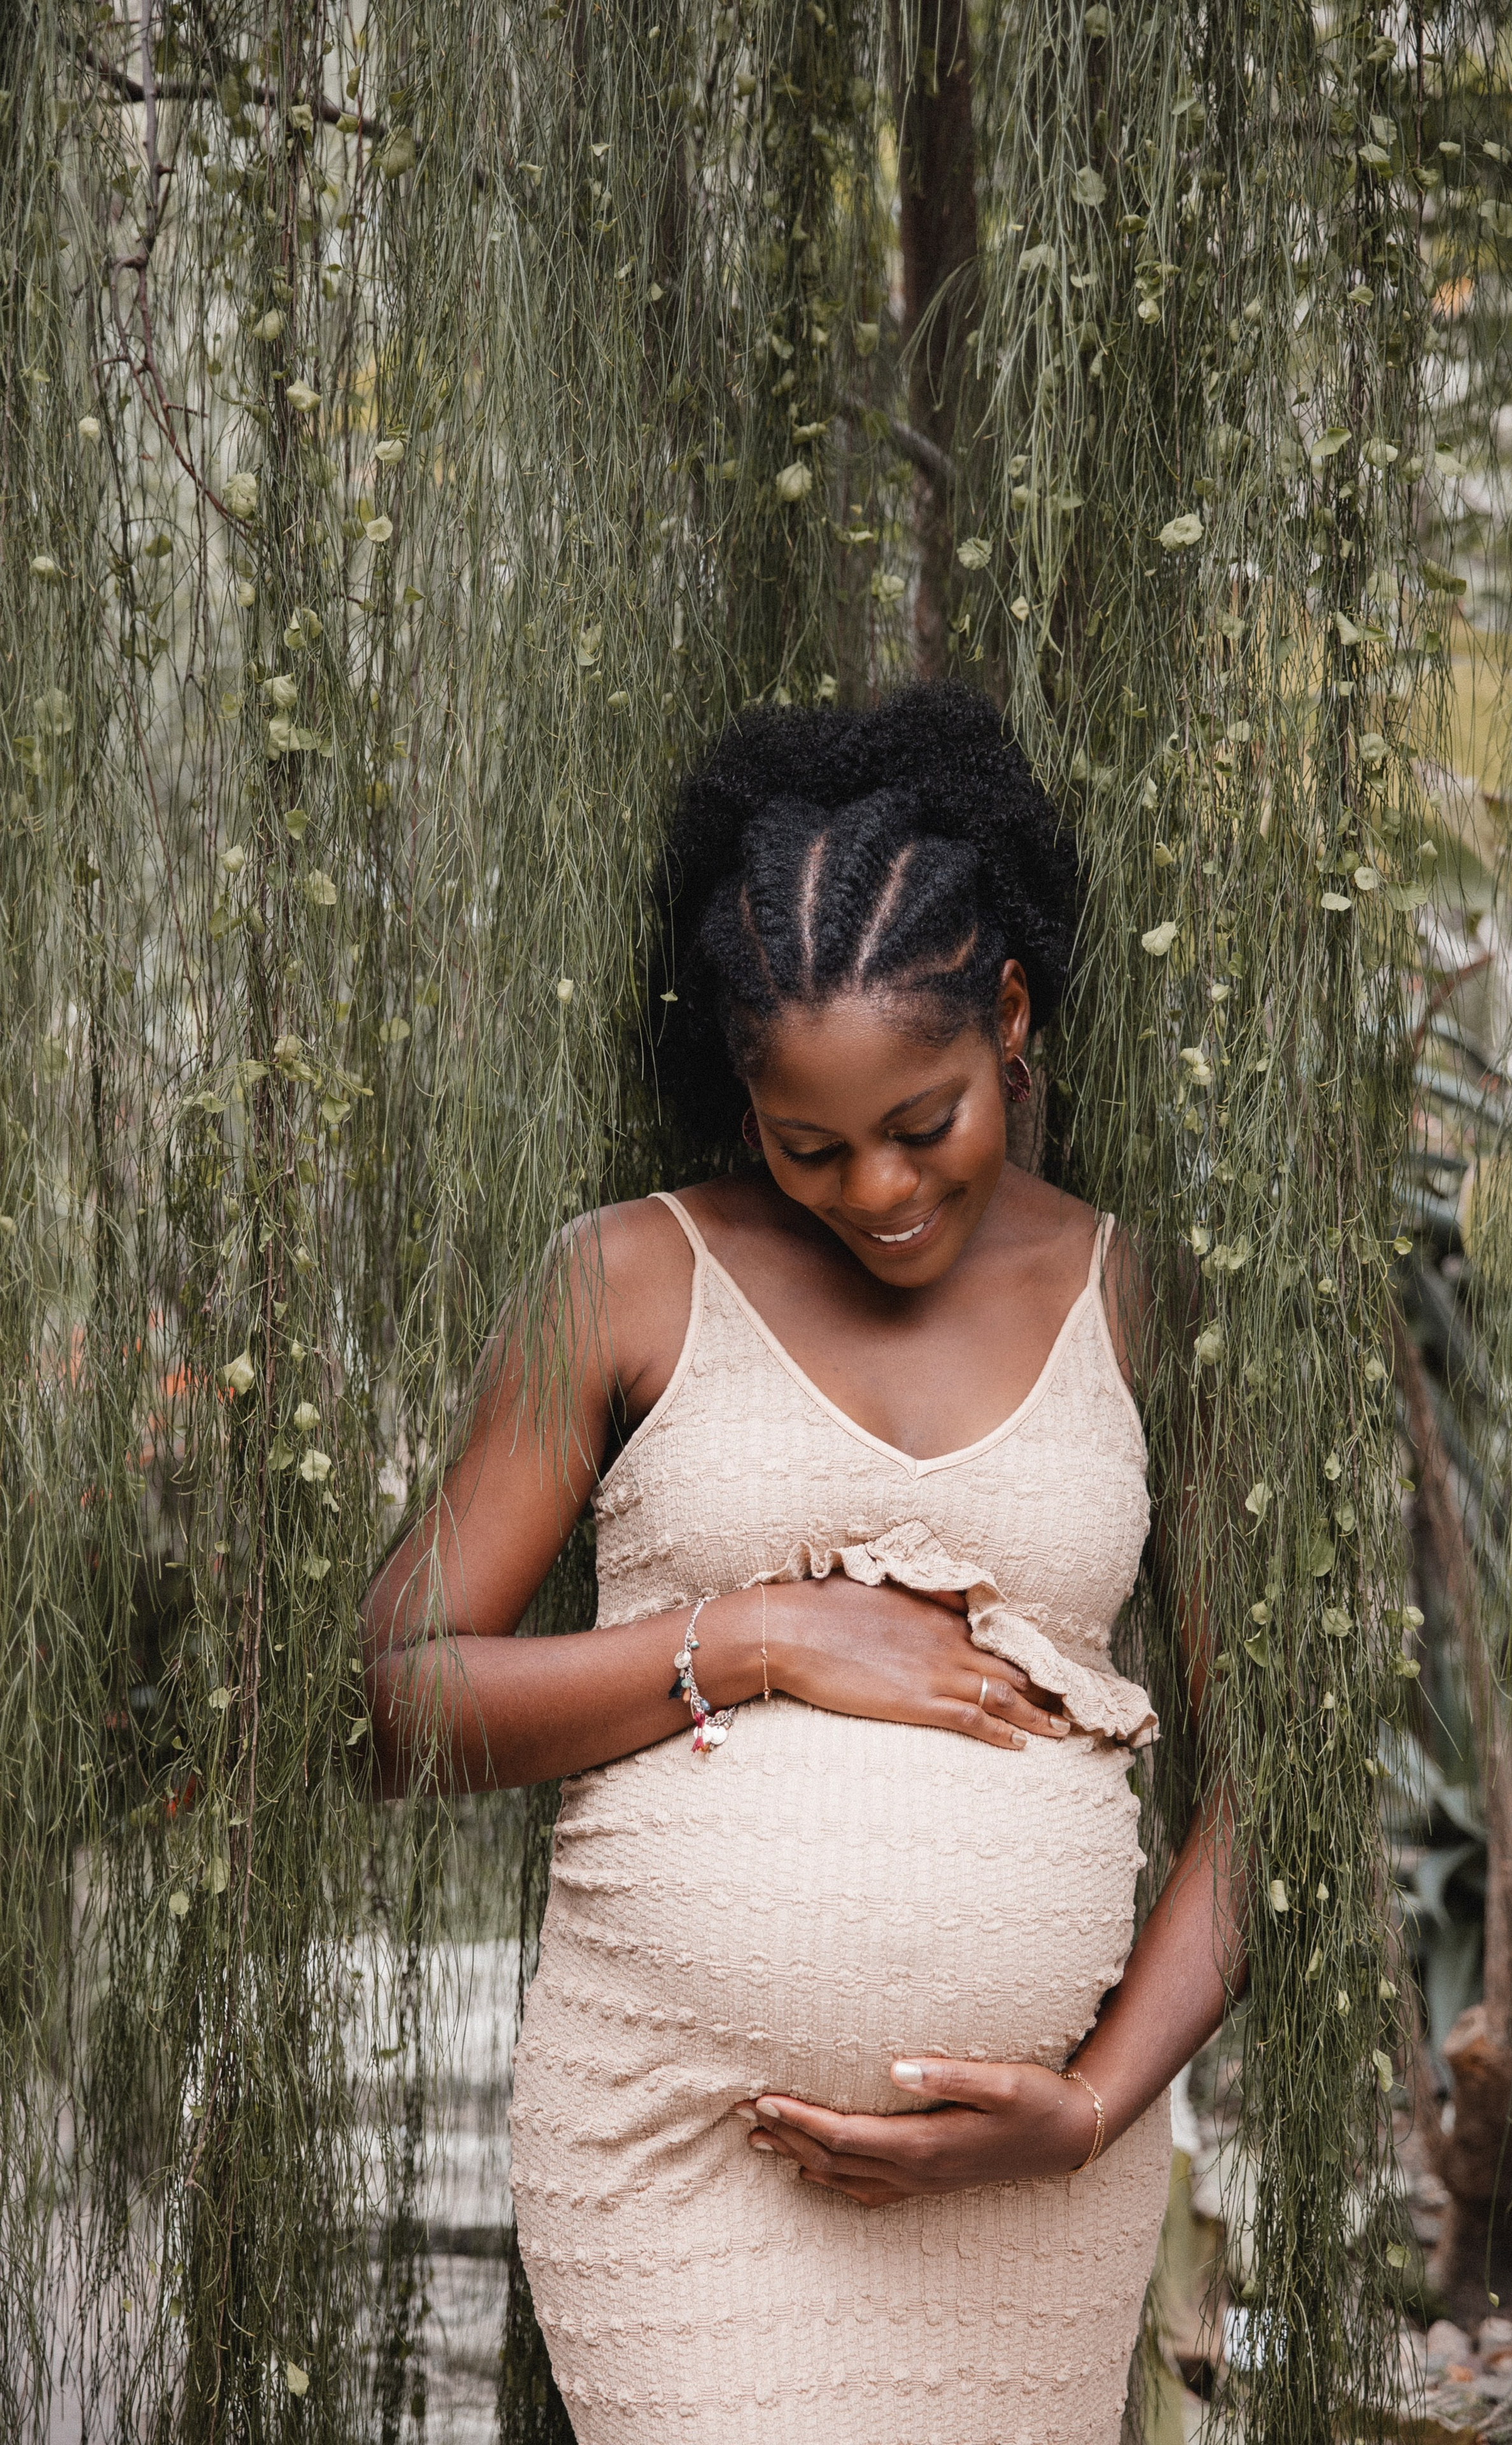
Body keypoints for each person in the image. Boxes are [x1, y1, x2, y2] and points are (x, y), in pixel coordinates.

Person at [364, 681, 1243, 2445]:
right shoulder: (622, 1277)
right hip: (688, 2147)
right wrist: (755, 1635)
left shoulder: (1148, 1304)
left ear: (1008, 1016)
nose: (881, 1191)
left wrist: (1089, 2106)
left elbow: (1274, 1783)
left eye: (927, 1124)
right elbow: (395, 1705)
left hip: (1035, 2173)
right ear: (741, 1099)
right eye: (809, 1144)